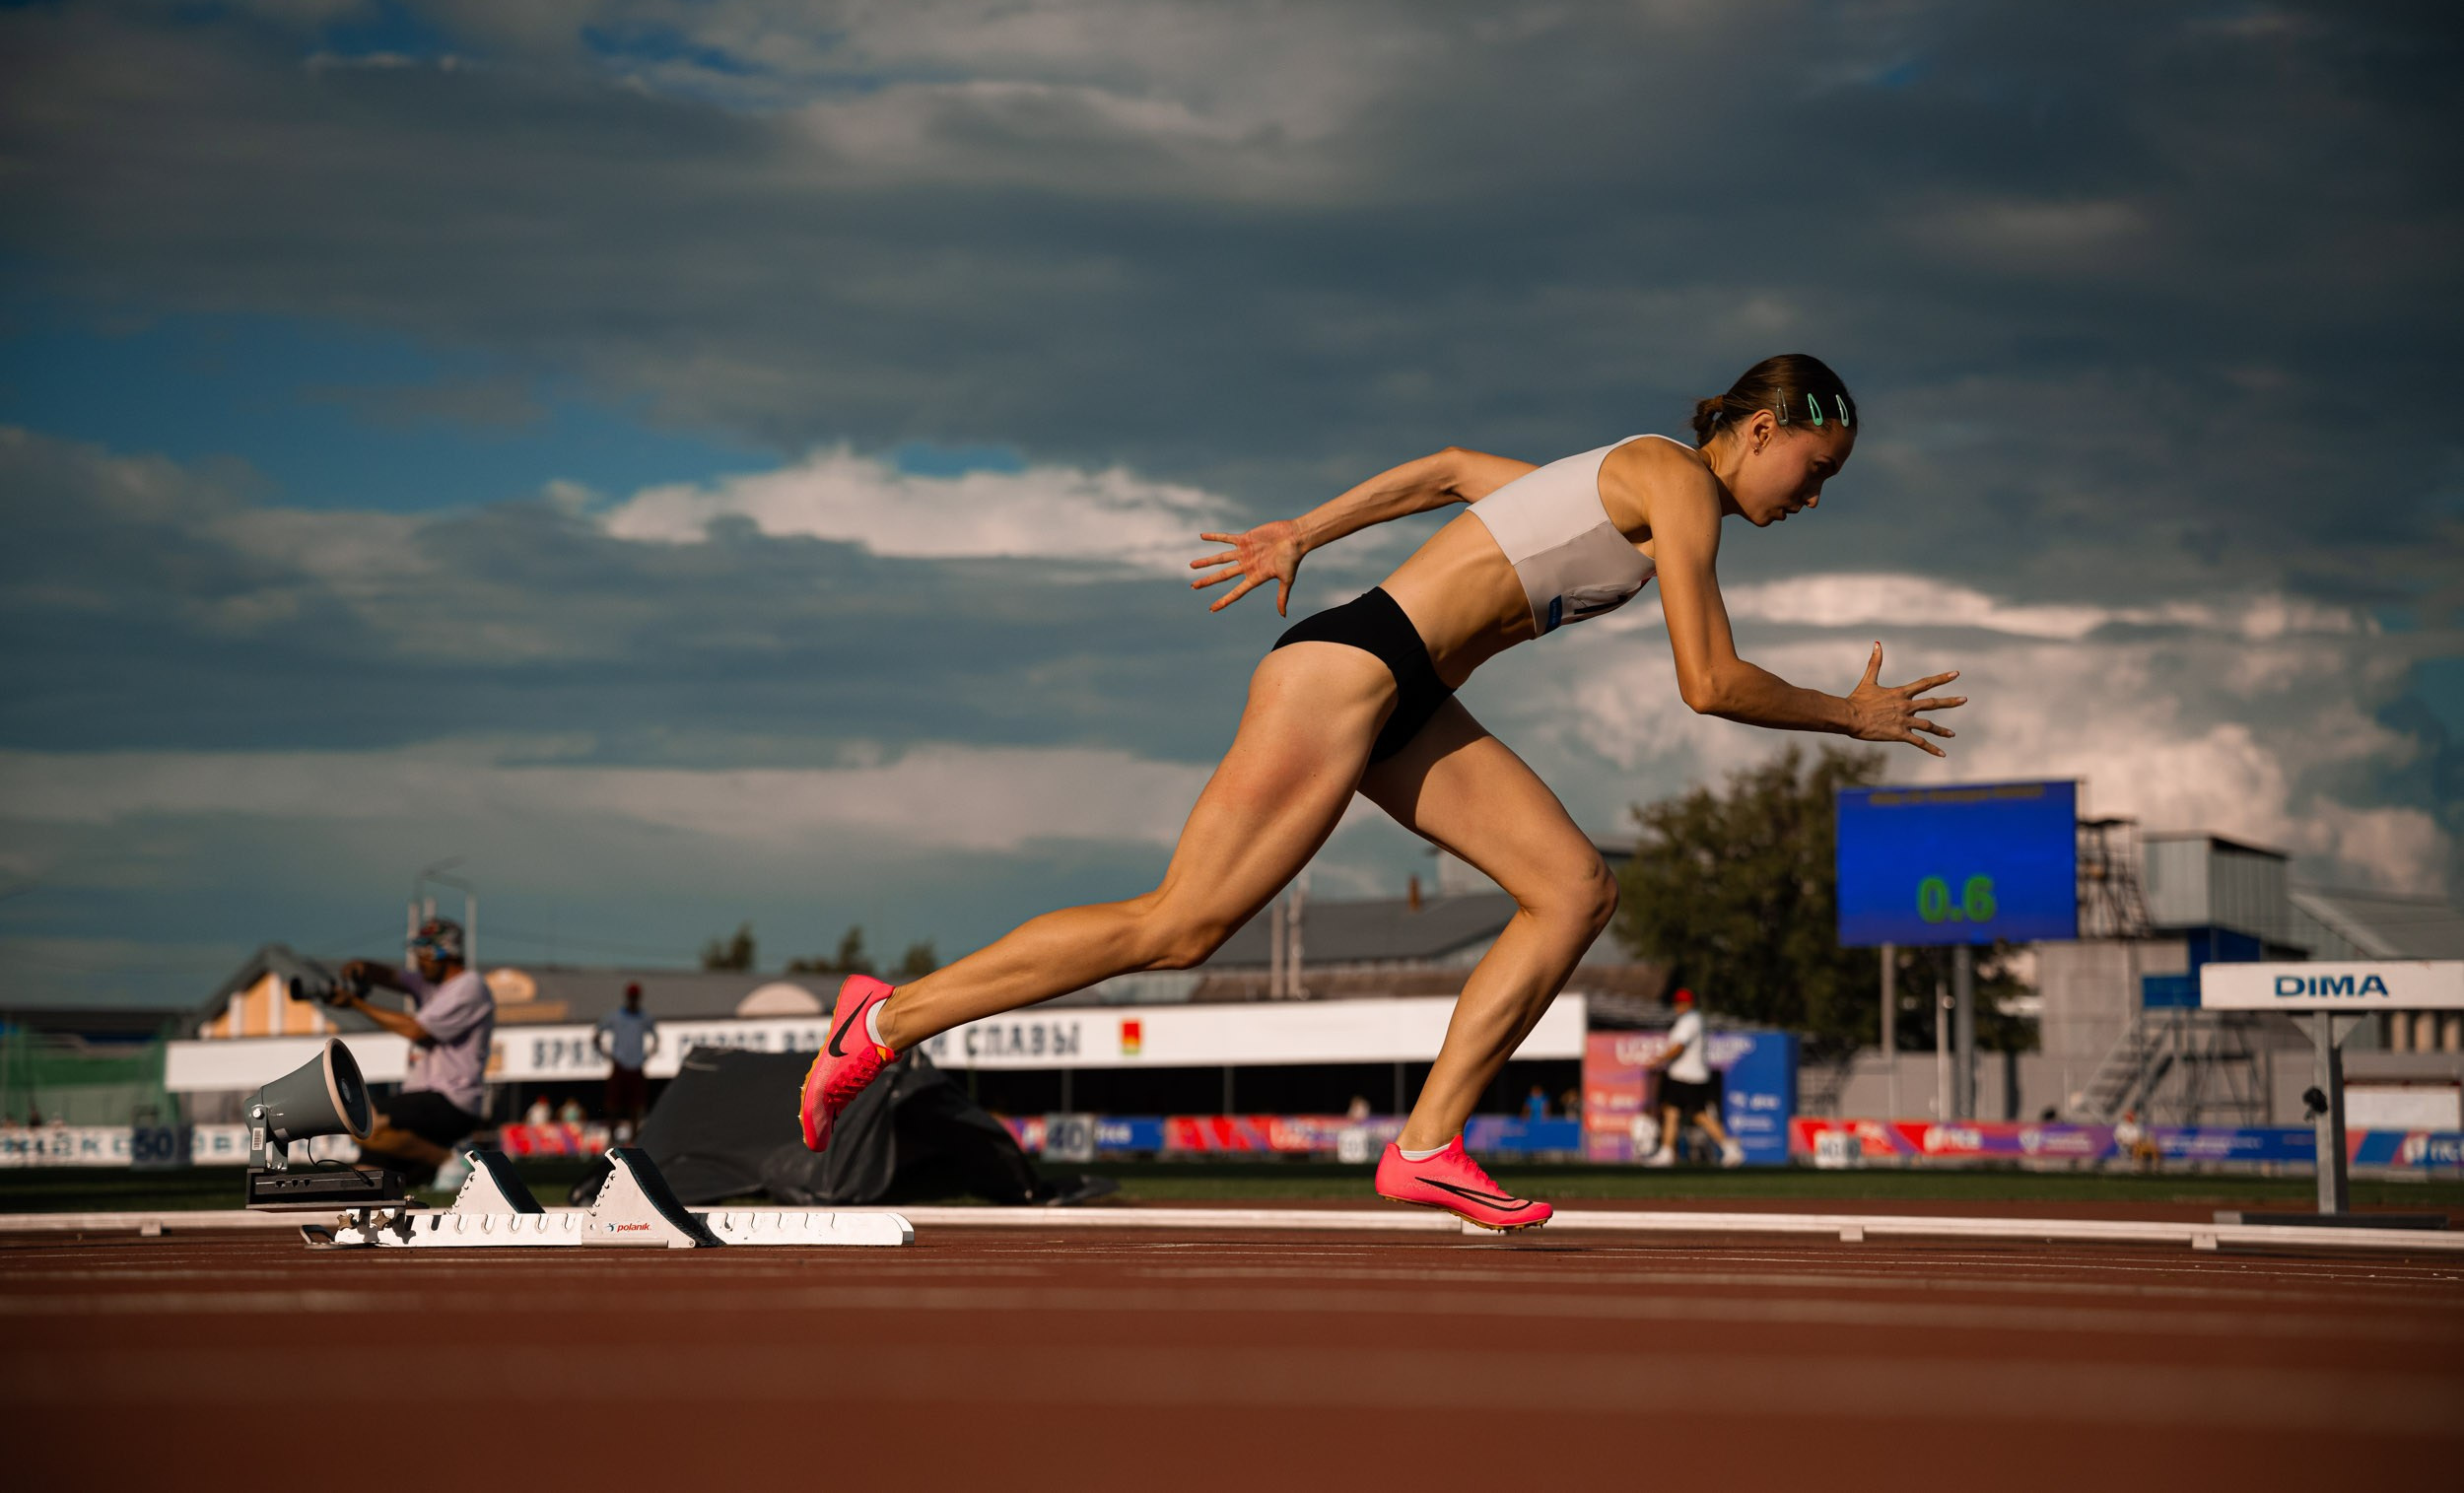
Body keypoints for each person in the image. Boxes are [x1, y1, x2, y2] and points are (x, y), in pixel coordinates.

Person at [797, 356, 1961, 1231]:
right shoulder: (1676, 481)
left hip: (1400, 694)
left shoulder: (1641, 491)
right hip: (1351, 674)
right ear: (1761, 430)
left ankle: (1427, 1143)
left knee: (1571, 889)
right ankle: (883, 1020)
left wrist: (1305, 528)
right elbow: (1707, 683)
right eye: (1815, 471)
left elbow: (1456, 471)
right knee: (1181, 923)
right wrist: (1846, 715)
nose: (1814, 497)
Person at [332, 917, 497, 1184]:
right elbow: (392, 976)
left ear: (447, 954)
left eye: (425, 955)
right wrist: (362, 968)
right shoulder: (433, 987)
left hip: (450, 1100)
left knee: (362, 1117)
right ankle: (435, 1168)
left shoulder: (469, 987)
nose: (419, 962)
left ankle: (447, 1160)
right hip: (423, 1102)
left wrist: (355, 1003)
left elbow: (416, 1030)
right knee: (362, 1181)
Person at [1645, 988, 1745, 1168]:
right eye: (1677, 1002)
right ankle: (1666, 1152)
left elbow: (1679, 1047)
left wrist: (1658, 1060)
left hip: (1689, 1076)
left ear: (1689, 1004)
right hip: (1682, 1075)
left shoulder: (1690, 1020)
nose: (1677, 1006)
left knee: (1699, 1115)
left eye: (1681, 1003)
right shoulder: (1688, 1020)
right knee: (1672, 1112)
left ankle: (1730, 1147)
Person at [593, 982, 659, 1142]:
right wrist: (607, 1055)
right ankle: (611, 1139)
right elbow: (597, 1035)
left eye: (635, 997)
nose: (633, 1000)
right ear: (627, 997)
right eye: (631, 997)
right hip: (620, 1064)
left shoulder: (645, 1018)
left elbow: (656, 1038)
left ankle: (633, 1140)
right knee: (613, 1105)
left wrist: (646, 1056)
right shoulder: (615, 1016)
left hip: (636, 1066)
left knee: (636, 1107)